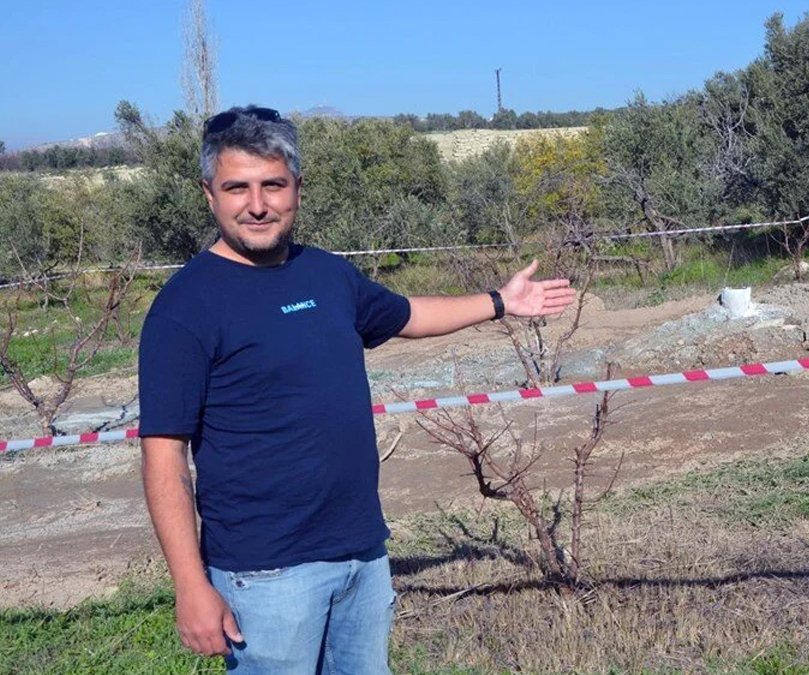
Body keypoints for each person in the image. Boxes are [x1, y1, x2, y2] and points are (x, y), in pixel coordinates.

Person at [138, 105, 575, 674]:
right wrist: (190, 584)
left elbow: (407, 313)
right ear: (209, 195)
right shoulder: (185, 307)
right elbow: (163, 457)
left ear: (298, 187)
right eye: (237, 187)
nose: (257, 204)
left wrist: (498, 303)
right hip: (264, 574)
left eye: (273, 184)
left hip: (361, 554)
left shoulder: (326, 274)